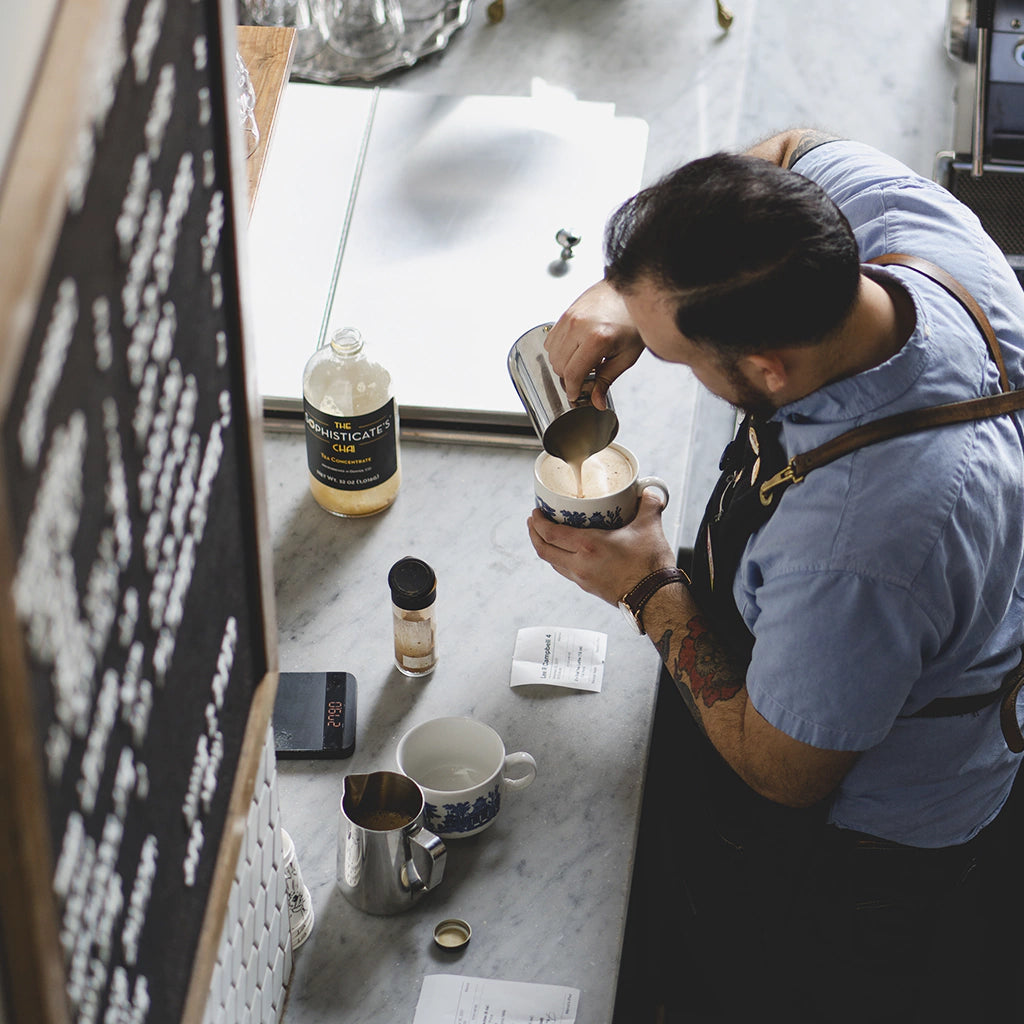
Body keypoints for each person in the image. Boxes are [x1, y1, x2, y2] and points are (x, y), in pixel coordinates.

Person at [528, 129, 1024, 1021]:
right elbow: (792, 143)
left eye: (672, 353)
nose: (652, 350)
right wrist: (630, 292)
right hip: (911, 626)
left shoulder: (860, 547)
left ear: (765, 368)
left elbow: (784, 768)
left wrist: (646, 587)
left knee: (771, 976)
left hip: (869, 842)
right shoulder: (916, 237)